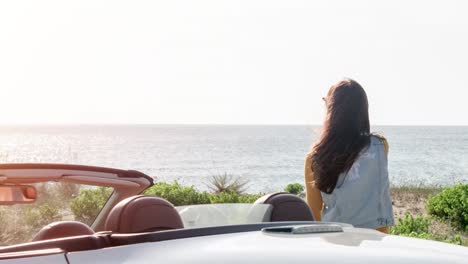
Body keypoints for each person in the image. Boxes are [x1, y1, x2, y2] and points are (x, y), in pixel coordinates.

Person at [304, 79, 393, 233]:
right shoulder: (381, 146)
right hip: (377, 242)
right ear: (363, 110)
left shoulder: (314, 158)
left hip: (335, 242)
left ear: (331, 110)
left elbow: (314, 213)